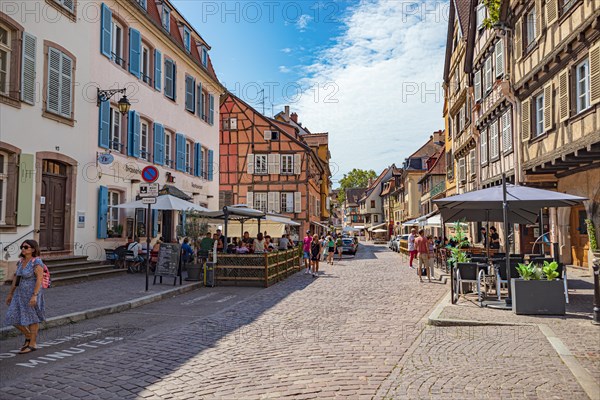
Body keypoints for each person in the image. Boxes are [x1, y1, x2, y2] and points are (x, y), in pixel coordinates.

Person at [5, 240, 45, 354]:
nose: (23, 249)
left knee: (32, 318)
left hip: (31, 294)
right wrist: (10, 293)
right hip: (19, 294)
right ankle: (28, 335)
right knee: (11, 316)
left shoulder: (36, 262)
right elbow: (16, 278)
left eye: (26, 247)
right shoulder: (21, 261)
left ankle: (32, 344)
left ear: (33, 249)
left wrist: (34, 295)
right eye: (22, 247)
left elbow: (39, 280)